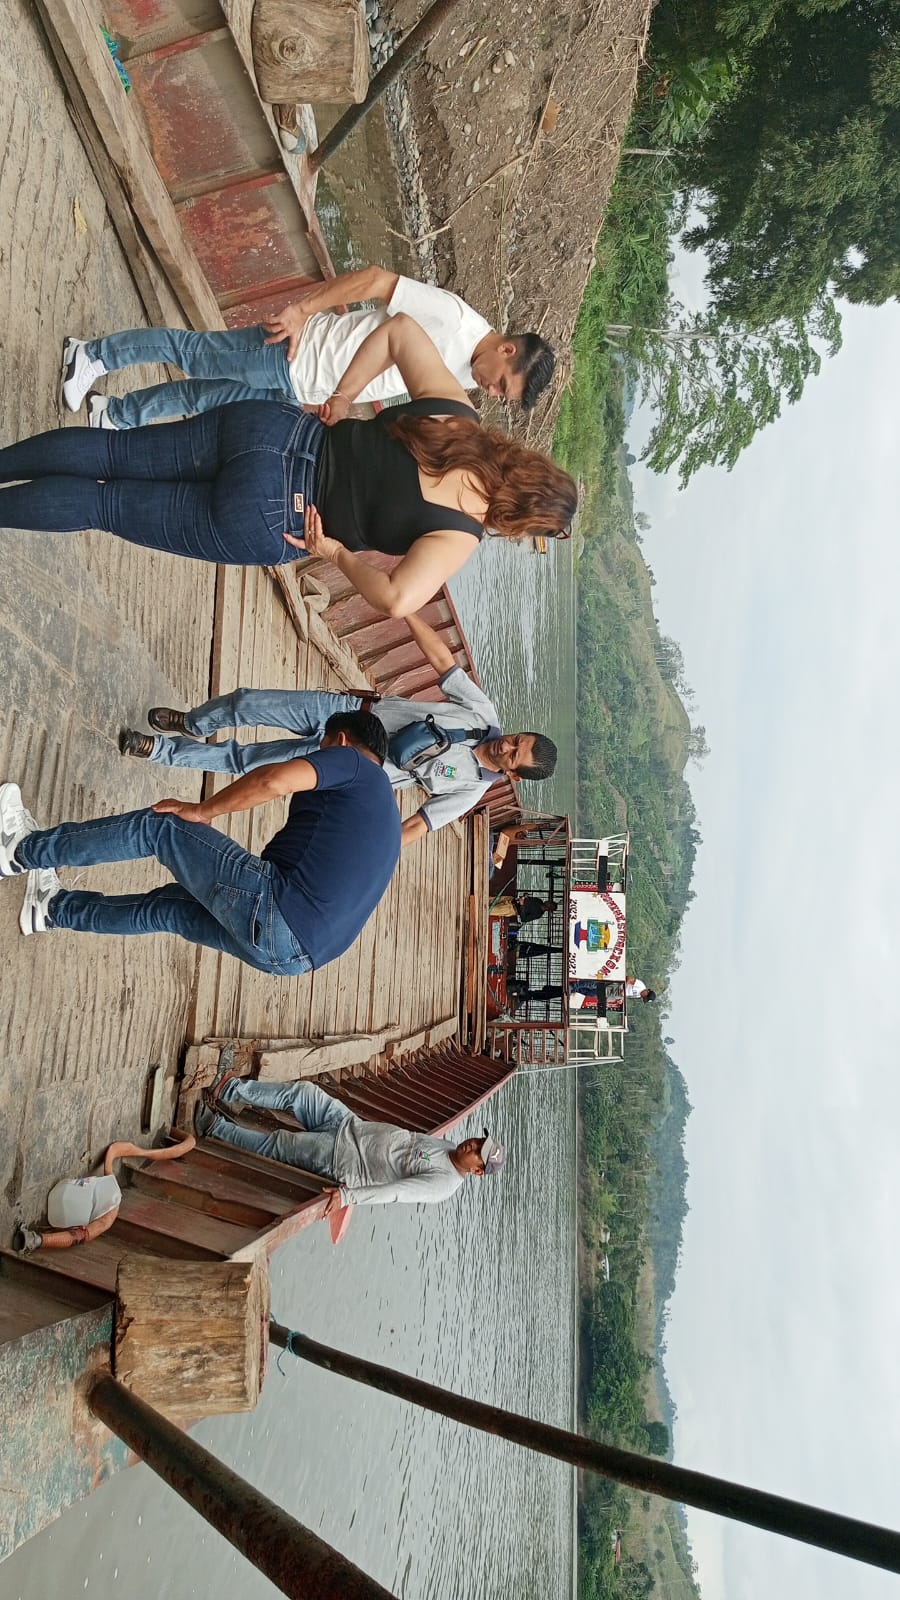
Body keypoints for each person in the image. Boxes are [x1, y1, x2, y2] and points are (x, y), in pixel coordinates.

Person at [1, 316, 577, 612]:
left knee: (114, 451)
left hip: (276, 430)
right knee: (105, 505)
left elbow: (399, 331)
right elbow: (396, 599)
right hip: (279, 516)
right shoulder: (459, 535)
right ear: (522, 519)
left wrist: (344, 397)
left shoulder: (457, 415)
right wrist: (335, 553)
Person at [0, 711, 400, 972]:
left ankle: (19, 851)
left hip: (280, 908)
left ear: (340, 741)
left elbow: (273, 781)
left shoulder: (353, 763)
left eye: (322, 748)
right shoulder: (386, 814)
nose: (319, 755)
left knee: (163, 828)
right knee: (167, 911)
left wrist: (203, 809)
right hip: (294, 958)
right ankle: (50, 910)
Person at [118, 611, 557, 848]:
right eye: (518, 739)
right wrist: (406, 610)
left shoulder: (469, 792)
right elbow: (444, 662)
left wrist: (375, 853)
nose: (507, 745)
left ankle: (160, 750)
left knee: (248, 763)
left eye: (514, 755)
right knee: (248, 702)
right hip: (346, 710)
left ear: (513, 775)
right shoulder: (482, 713)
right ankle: (194, 722)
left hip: (349, 761)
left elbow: (416, 826)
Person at [61, 262, 556, 429]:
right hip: (297, 352)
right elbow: (375, 280)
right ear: (508, 351)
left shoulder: (471, 373)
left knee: (201, 398)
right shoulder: (454, 318)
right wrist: (302, 310)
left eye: (500, 396)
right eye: (501, 385)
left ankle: (116, 415)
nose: (491, 392)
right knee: (191, 353)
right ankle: (91, 355)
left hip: (306, 388)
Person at [194, 1070, 505, 1211]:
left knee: (278, 1144)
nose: (472, 1145)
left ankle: (214, 1127)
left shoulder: (443, 1185)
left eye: (478, 1152)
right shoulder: (449, 1149)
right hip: (347, 1124)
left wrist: (348, 1198)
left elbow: (395, 1193)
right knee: (304, 1093)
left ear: (477, 1171)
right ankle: (229, 1089)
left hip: (342, 1159)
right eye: (479, 1141)